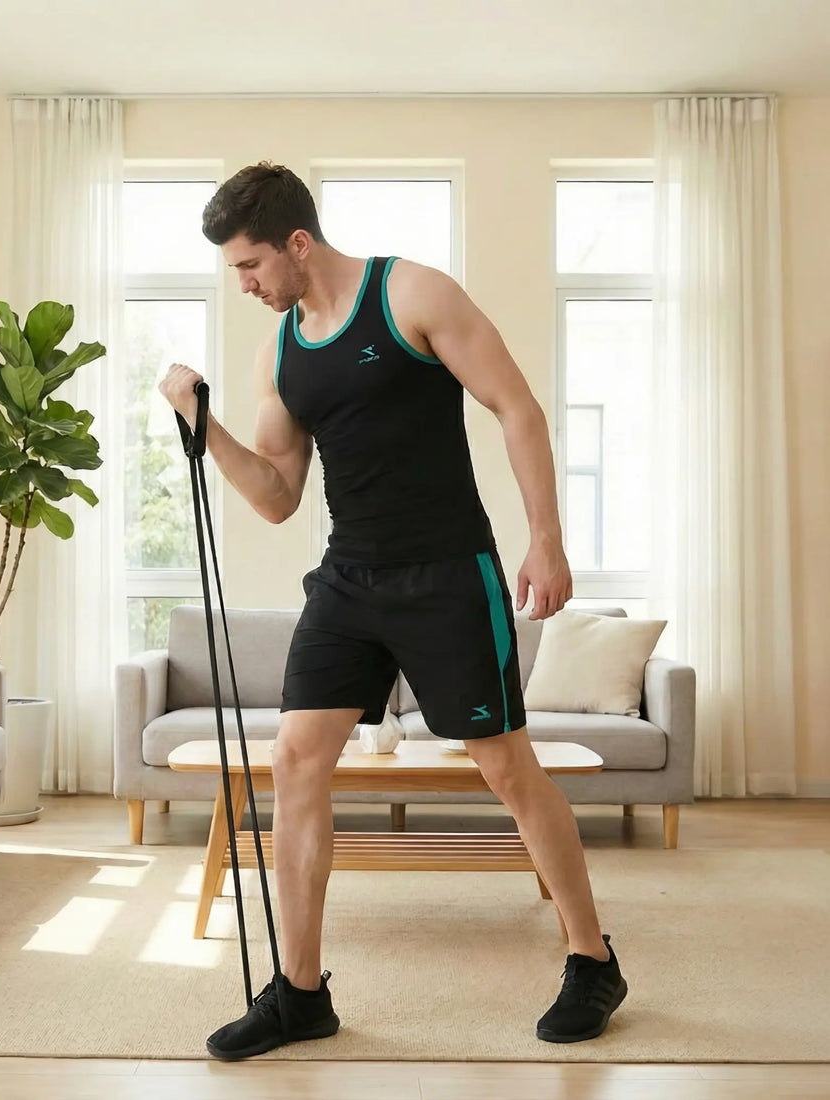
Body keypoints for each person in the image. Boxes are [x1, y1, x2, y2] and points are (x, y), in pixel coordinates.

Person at [158, 162, 627, 1061]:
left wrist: (547, 540)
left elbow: (516, 406)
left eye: (251, 266)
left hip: (450, 574)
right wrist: (205, 424)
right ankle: (300, 993)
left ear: (298, 243)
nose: (246, 286)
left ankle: (591, 958)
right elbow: (277, 496)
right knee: (296, 760)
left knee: (507, 771)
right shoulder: (282, 353)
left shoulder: (410, 292)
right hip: (348, 580)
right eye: (234, 273)